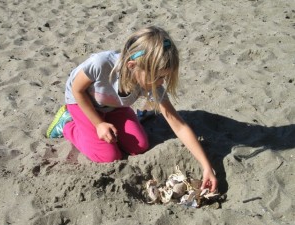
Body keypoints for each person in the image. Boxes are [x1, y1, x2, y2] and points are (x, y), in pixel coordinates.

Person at [46, 26, 217, 191]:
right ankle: (67, 124)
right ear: (132, 66)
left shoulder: (152, 83)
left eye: (165, 77)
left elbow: (179, 125)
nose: (161, 82)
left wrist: (206, 166)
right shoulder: (101, 64)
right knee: (109, 156)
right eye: (158, 77)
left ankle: (111, 120)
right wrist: (98, 124)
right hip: (82, 102)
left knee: (140, 146)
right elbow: (77, 90)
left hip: (114, 106)